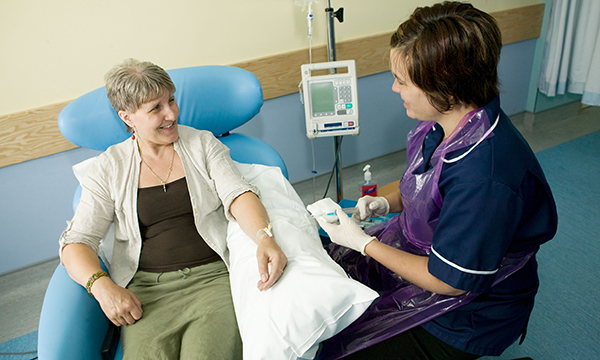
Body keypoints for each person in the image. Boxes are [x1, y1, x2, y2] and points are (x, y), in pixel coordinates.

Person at [316, 2, 558, 359]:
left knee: (341, 349)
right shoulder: (443, 125)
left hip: (463, 315)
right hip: (424, 255)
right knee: (323, 280)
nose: (395, 89)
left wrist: (364, 244)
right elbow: (423, 183)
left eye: (403, 81)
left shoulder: (485, 177)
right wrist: (386, 202)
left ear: (446, 86)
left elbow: (449, 281)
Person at [59, 58, 288, 359]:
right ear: (127, 117)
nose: (171, 114)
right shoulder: (109, 168)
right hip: (145, 292)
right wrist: (101, 286)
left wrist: (264, 236)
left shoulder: (203, 145)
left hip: (212, 282)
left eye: (171, 100)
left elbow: (238, 195)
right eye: (156, 108)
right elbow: (78, 241)